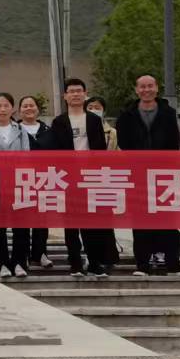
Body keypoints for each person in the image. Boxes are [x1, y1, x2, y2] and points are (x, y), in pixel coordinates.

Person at [116, 74, 180, 277]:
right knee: (140, 219)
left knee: (168, 218)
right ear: (136, 90)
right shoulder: (127, 114)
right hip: (137, 173)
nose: (146, 90)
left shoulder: (168, 112)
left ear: (156, 88)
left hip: (163, 173)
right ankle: (142, 265)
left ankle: (173, 264)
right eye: (142, 87)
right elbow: (123, 142)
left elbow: (173, 142)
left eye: (150, 86)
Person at [51, 77, 114, 279]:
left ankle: (94, 263)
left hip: (90, 177)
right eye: (72, 91)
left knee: (92, 223)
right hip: (68, 178)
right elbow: (55, 152)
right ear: (65, 96)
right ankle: (75, 263)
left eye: (79, 91)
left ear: (85, 94)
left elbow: (100, 150)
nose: (76, 94)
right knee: (71, 224)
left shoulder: (94, 120)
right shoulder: (59, 122)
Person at [0, 92, 32, 277]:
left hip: (18, 182)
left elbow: (26, 156)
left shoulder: (20, 130)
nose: (2, 109)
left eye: (6, 106)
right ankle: (1, 263)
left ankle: (19, 262)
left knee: (21, 225)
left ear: (12, 108)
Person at [17, 95, 54, 269]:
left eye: (31, 105)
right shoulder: (14, 130)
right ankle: (22, 254)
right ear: (19, 110)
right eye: (25, 106)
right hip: (20, 178)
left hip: (43, 178)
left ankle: (40, 253)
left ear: (38, 109)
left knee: (42, 218)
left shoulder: (48, 130)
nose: (28, 108)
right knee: (22, 218)